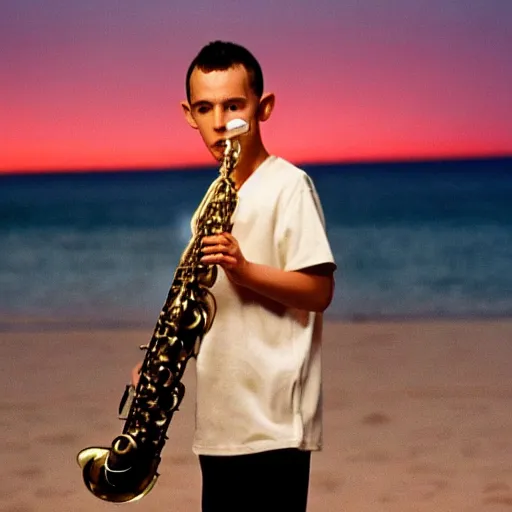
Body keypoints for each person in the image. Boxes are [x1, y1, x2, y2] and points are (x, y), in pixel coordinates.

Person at [135, 40, 336, 512]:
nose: (221, 122)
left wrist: (244, 270)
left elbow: (320, 291)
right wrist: (162, 362)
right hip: (221, 425)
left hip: (274, 423)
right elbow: (203, 305)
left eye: (234, 105)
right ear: (189, 114)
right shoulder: (212, 198)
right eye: (206, 108)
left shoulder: (289, 185)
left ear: (263, 108)